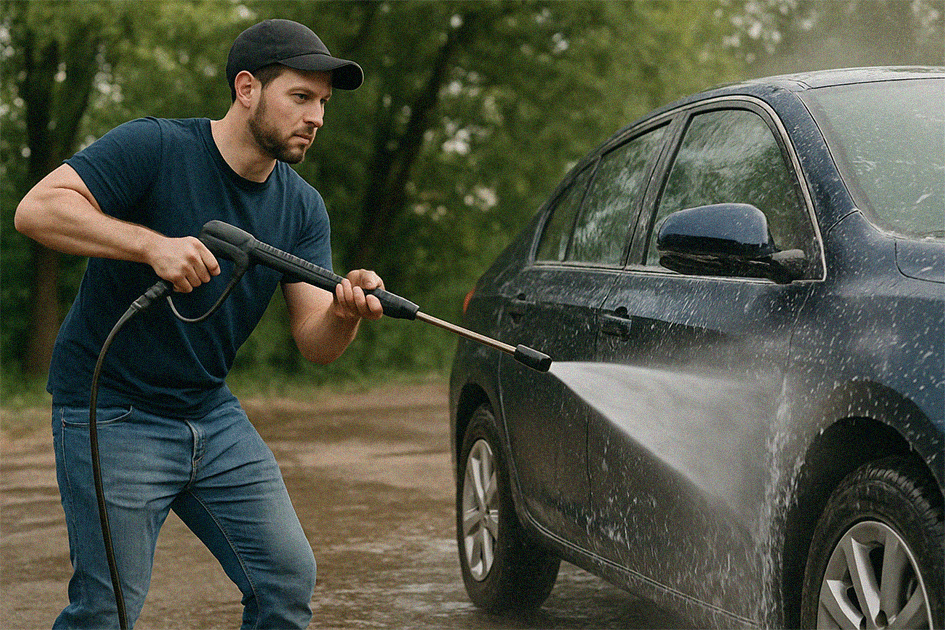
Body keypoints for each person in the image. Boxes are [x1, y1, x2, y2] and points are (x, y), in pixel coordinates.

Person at [15, 19, 381, 629]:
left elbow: (315, 344)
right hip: (111, 411)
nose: (317, 116)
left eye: (323, 103)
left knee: (286, 583)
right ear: (246, 89)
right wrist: (150, 246)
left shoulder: (302, 205)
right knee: (106, 611)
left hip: (211, 416)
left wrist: (344, 315)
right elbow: (38, 210)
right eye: (301, 97)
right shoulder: (155, 147)